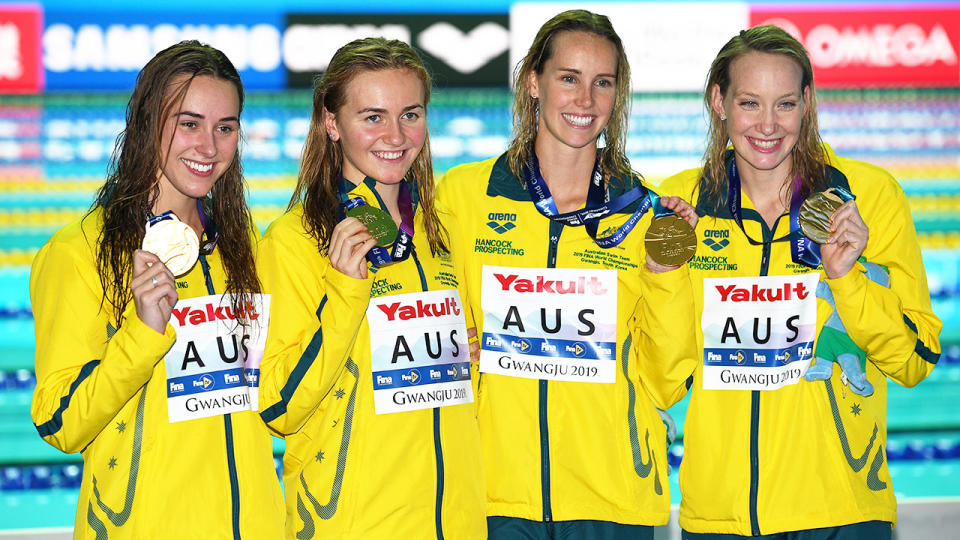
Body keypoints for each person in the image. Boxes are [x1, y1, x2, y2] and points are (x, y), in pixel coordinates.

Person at [658, 25, 942, 539]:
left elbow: (914, 360)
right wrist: (663, 273)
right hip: (720, 519)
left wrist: (847, 277)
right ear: (719, 101)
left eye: (785, 104)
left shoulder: (868, 197)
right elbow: (661, 378)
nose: (768, 125)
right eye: (749, 102)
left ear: (807, 102)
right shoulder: (681, 205)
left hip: (841, 514)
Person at [436, 10, 699, 539]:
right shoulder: (464, 197)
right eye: (569, 78)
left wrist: (666, 274)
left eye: (602, 83)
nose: (585, 100)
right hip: (490, 497)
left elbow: (668, 382)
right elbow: (434, 334)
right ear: (534, 82)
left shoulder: (647, 215)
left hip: (614, 501)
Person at [30, 41, 283, 538]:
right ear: (148, 124)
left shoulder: (241, 249)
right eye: (189, 124)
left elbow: (275, 384)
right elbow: (60, 421)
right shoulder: (79, 252)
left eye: (225, 128)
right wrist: (142, 334)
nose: (209, 147)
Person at [257, 37, 485, 539]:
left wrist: (468, 355)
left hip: (456, 520)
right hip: (352, 522)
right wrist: (344, 295)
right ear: (332, 123)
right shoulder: (293, 242)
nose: (396, 135)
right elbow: (277, 406)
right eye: (373, 117)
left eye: (411, 114)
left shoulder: (440, 231)